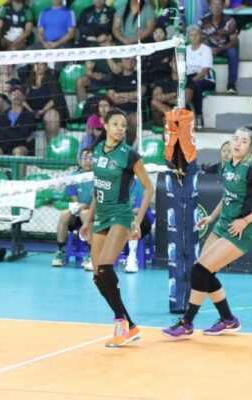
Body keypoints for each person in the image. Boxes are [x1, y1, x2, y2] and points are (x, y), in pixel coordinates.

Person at [161, 126, 252, 339]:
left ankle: (187, 322)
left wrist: (245, 220)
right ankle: (228, 319)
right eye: (235, 138)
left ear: (250, 147)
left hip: (239, 231)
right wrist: (211, 217)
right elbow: (227, 197)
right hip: (221, 226)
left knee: (200, 271)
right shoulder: (228, 165)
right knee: (205, 273)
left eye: (244, 141)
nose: (238, 143)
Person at [79, 108, 154, 347]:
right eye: (116, 124)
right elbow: (97, 188)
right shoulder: (97, 150)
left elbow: (149, 188)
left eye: (123, 125)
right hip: (101, 216)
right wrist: (88, 221)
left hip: (121, 216)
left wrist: (137, 221)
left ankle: (121, 323)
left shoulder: (129, 155)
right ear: (105, 126)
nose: (121, 129)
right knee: (97, 276)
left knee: (104, 268)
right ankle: (130, 325)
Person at [51, 148, 94, 268]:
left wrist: (86, 206)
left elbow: (98, 201)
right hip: (79, 212)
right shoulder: (73, 177)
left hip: (96, 214)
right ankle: (60, 251)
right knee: (64, 214)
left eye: (90, 158)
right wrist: (80, 207)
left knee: (85, 213)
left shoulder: (100, 177)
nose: (87, 161)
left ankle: (91, 254)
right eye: (84, 158)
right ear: (79, 161)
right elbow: (76, 201)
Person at [0, 85, 35, 178]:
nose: (16, 96)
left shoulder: (29, 116)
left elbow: (23, 136)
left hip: (21, 147)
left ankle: (19, 182)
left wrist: (7, 132)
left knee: (19, 151)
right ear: (9, 97)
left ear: (24, 97)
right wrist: (15, 131)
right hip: (4, 148)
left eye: (19, 94)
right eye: (13, 94)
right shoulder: (2, 115)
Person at [198, 0, 239, 94]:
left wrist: (219, 49)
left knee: (233, 52)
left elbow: (234, 42)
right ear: (209, 6)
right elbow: (200, 39)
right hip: (209, 47)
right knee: (200, 52)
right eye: (214, 4)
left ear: (223, 6)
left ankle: (231, 85)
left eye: (219, 4)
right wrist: (208, 49)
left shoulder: (230, 21)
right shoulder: (203, 20)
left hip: (225, 47)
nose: (216, 7)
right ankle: (204, 84)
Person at [24, 63, 68, 142]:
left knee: (52, 116)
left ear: (46, 66)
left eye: (41, 64)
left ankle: (51, 145)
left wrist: (42, 111)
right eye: (36, 64)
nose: (38, 66)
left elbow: (55, 99)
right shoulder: (28, 81)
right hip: (31, 111)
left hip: (47, 110)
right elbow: (22, 99)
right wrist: (31, 111)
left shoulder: (52, 79)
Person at [185, 24, 215, 129]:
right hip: (189, 77)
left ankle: (198, 115)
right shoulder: (185, 49)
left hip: (205, 78)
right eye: (191, 35)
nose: (194, 37)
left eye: (196, 35)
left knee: (195, 85)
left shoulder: (206, 49)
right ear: (188, 37)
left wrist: (191, 81)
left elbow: (205, 70)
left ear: (200, 36)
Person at [124, 178, 155, 273]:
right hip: (123, 219)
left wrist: (122, 212)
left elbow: (138, 209)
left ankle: (132, 257)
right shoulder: (117, 186)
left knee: (132, 219)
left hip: (143, 222)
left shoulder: (140, 186)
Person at [107, 58, 139, 145]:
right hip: (118, 110)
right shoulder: (115, 77)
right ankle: (114, 145)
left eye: (133, 60)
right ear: (121, 61)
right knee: (115, 119)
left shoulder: (139, 76)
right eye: (127, 59)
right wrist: (130, 98)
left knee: (134, 120)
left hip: (133, 111)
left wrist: (119, 95)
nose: (130, 61)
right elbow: (112, 97)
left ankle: (128, 146)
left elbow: (139, 94)